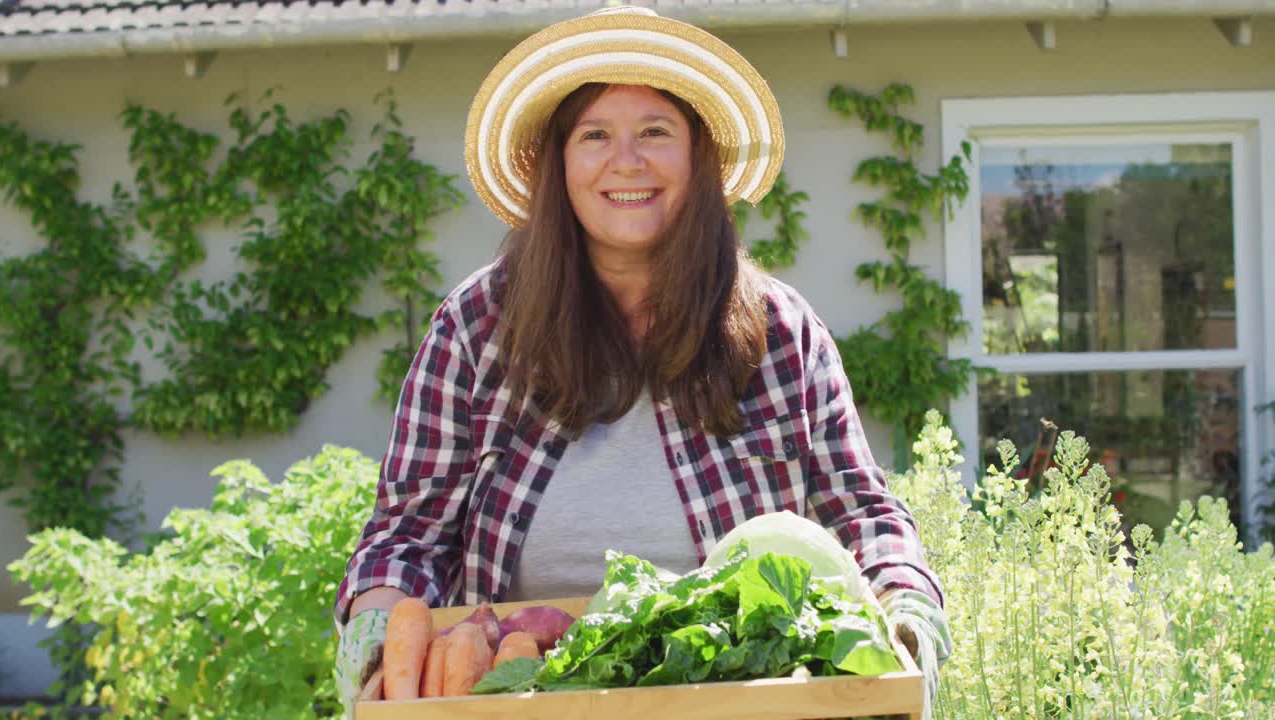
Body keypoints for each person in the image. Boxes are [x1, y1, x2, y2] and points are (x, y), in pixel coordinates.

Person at [333, 5, 952, 717]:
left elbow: (863, 511)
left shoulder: (780, 333)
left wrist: (904, 610)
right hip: (516, 700)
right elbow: (406, 531)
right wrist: (383, 640)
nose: (626, 161)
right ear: (559, 164)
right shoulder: (476, 329)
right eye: (595, 134)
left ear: (697, 157)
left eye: (655, 132)